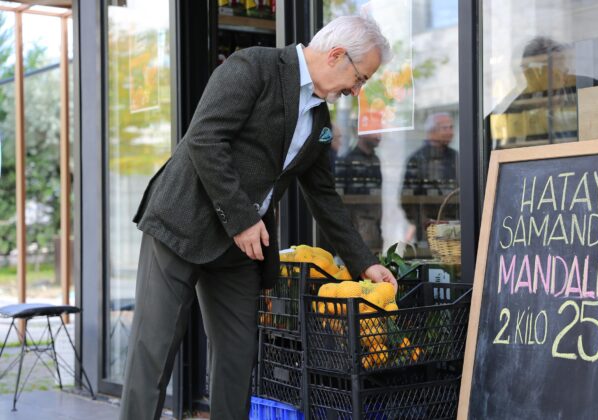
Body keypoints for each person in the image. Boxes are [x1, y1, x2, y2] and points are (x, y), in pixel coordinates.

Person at [120, 15, 395, 420]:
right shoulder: (253, 66)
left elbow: (323, 197)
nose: (356, 91)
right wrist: (244, 220)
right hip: (183, 223)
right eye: (361, 78)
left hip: (240, 249)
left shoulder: (319, 119)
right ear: (337, 56)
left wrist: (365, 262)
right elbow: (205, 138)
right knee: (154, 352)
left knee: (238, 358)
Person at [402, 113, 459, 244]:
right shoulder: (418, 159)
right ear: (431, 132)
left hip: (454, 225)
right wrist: (420, 220)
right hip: (428, 227)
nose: (451, 132)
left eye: (451, 127)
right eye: (445, 128)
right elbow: (406, 197)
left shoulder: (455, 157)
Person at [339, 133, 383, 251]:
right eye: (375, 131)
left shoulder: (375, 159)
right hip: (357, 225)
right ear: (361, 133)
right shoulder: (347, 160)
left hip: (374, 223)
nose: (379, 135)